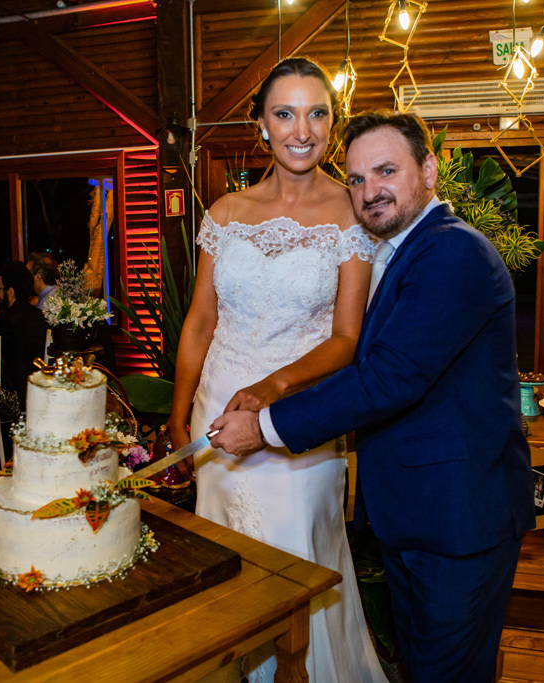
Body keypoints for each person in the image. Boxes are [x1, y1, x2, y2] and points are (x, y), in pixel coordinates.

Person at [210, 111, 536, 682]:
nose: (369, 192)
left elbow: (389, 379)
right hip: (420, 517)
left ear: (429, 170)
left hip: (458, 523)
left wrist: (267, 426)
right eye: (357, 179)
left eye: (386, 171)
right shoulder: (405, 251)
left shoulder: (452, 252)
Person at [171, 57, 386, 682]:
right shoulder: (226, 212)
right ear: (260, 125)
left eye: (317, 112)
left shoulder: (352, 214)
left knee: (296, 566)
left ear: (332, 124)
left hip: (301, 422)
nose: (302, 128)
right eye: (285, 113)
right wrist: (181, 415)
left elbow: (347, 339)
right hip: (217, 420)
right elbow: (200, 324)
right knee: (227, 571)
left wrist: (270, 391)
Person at [0, 261, 48, 409]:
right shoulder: (40, 316)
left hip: (15, 397)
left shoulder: (5, 321)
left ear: (10, 292)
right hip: (41, 390)